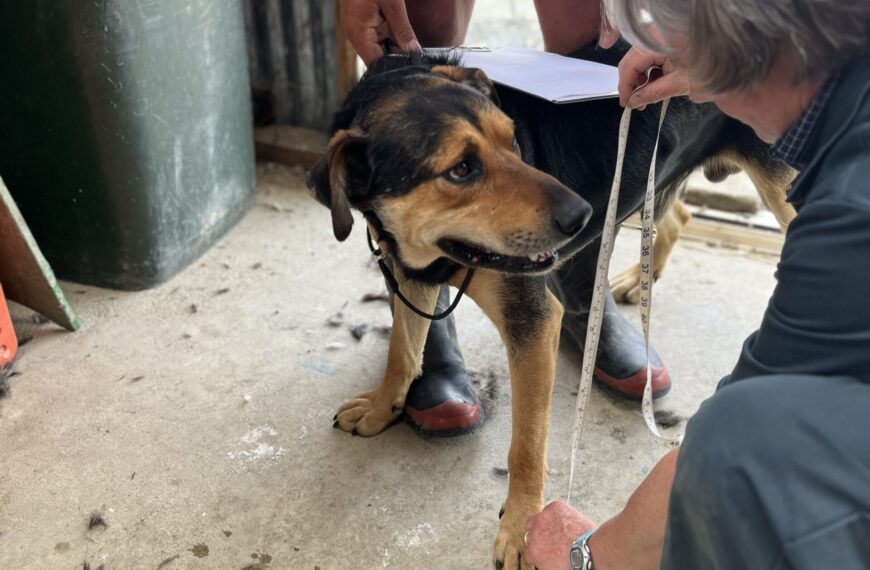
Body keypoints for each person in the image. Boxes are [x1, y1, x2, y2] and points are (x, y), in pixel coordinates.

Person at [522, 0, 870, 568]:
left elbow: (732, 447)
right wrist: (711, 52)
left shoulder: (853, 216)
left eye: (675, 34)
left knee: (736, 438)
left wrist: (584, 555)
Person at [338, 0, 669, 438]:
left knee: (591, 34)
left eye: (507, 141)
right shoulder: (371, 160)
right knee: (411, 244)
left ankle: (581, 286)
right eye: (462, 169)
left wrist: (526, 496)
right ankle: (420, 352)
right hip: (395, 177)